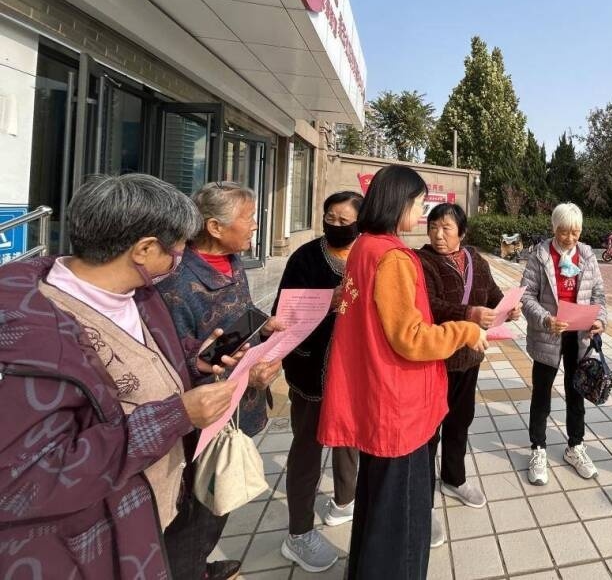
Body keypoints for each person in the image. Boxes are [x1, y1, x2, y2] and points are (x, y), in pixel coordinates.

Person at [0, 174, 241, 580]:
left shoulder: (140, 293)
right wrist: (176, 415)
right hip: (91, 545)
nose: (182, 256)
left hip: (152, 513)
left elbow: (137, 360)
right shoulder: (33, 338)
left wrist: (188, 361)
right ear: (144, 249)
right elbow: (29, 480)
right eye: (178, 247)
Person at [317, 165, 488, 580]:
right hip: (400, 407)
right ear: (399, 204)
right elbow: (409, 338)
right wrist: (464, 330)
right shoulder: (393, 257)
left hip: (379, 396)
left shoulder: (364, 247)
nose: (421, 213)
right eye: (417, 204)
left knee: (379, 510)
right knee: (403, 520)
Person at [157, 181, 284, 579]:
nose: (254, 227)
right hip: (202, 416)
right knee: (193, 507)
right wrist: (235, 360)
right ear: (214, 226)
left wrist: (262, 336)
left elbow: (235, 324)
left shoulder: (233, 262)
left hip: (238, 402)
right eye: (248, 219)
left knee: (218, 499)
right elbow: (180, 360)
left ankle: (200, 565)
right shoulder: (176, 284)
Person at [418, 203, 521, 545]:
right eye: (433, 226)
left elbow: (491, 294)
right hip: (435, 358)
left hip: (470, 357)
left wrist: (509, 306)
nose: (438, 234)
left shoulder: (475, 259)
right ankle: (423, 503)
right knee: (428, 431)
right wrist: (469, 312)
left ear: (462, 233)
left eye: (446, 227)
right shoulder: (421, 262)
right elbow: (429, 306)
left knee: (460, 420)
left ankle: (454, 478)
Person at [274, 191, 363, 572]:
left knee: (349, 439)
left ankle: (344, 502)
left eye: (345, 220)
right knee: (307, 448)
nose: (336, 225)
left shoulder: (367, 257)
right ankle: (297, 533)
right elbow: (284, 312)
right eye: (331, 218)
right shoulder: (305, 257)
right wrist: (328, 301)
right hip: (311, 371)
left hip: (355, 371)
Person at [520, 202, 607, 487]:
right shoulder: (540, 256)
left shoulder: (587, 255)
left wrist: (599, 321)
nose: (570, 238)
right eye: (564, 231)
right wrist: (546, 319)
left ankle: (575, 446)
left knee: (576, 391)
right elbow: (527, 296)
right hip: (549, 333)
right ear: (553, 228)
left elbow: (598, 295)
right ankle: (538, 448)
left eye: (575, 232)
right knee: (542, 394)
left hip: (578, 334)